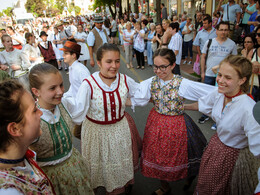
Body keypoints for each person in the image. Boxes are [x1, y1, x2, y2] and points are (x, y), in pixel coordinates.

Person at [130, 48, 215, 195]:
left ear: (172, 65)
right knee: (157, 155)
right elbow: (138, 95)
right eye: (155, 66)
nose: (158, 70)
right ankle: (164, 187)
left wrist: (185, 106)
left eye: (163, 67)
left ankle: (189, 177)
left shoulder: (183, 83)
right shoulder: (151, 82)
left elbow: (210, 93)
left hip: (177, 124)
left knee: (185, 153)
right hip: (155, 123)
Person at [67, 43, 141, 194]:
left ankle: (117, 188)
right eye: (109, 61)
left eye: (117, 61)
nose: (114, 65)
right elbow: (78, 111)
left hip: (119, 130)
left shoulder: (125, 80)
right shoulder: (88, 84)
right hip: (96, 133)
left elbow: (141, 93)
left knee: (117, 164)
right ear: (99, 62)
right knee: (98, 165)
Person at [185, 55, 260, 195]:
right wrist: (181, 107)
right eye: (219, 75)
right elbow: (202, 105)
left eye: (228, 77)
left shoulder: (248, 108)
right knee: (205, 184)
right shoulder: (220, 93)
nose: (220, 80)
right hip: (215, 147)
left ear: (242, 80)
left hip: (232, 157)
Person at [29, 63, 94, 195]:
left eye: (61, 85)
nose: (60, 91)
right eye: (52, 88)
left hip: (74, 165)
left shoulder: (65, 103)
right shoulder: (32, 118)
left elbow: (81, 107)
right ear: (36, 92)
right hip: (51, 177)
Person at [0, 80, 55, 194]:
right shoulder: (9, 191)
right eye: (34, 110)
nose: (40, 113)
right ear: (15, 129)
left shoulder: (20, 157)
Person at [198, 21, 237, 126]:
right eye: (221, 30)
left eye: (225, 30)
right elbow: (203, 57)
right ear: (217, 31)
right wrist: (202, 72)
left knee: (222, 97)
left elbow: (234, 61)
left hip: (224, 77)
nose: (223, 32)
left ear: (228, 31)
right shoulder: (209, 42)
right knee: (207, 95)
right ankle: (205, 114)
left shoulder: (232, 44)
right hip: (209, 74)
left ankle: (218, 119)